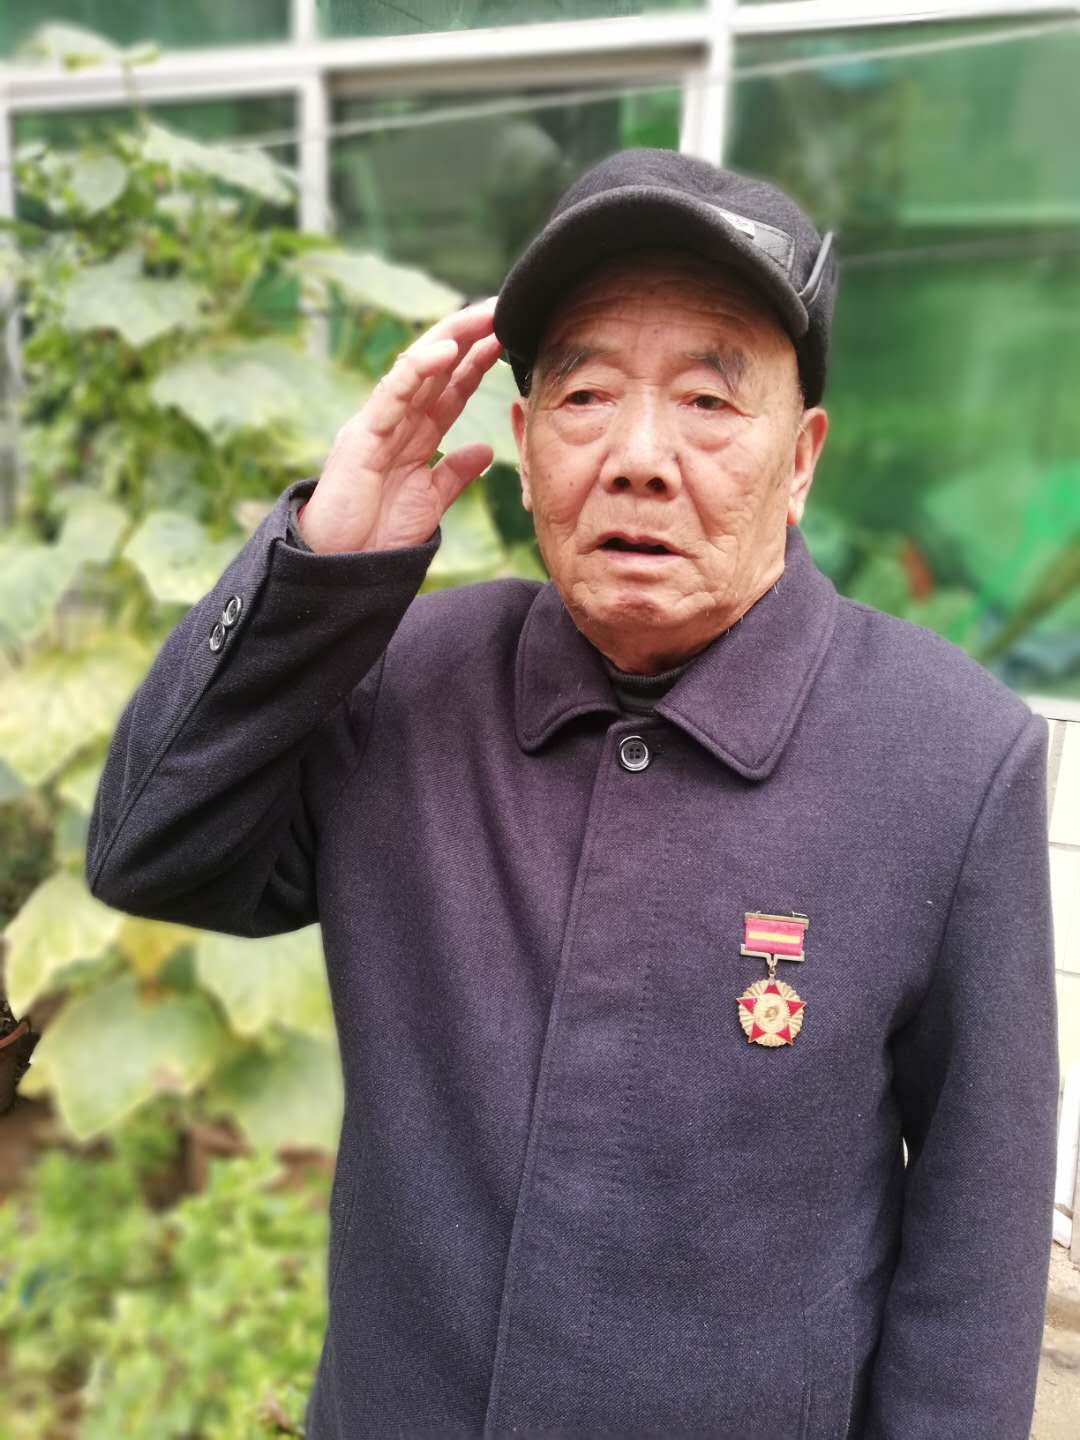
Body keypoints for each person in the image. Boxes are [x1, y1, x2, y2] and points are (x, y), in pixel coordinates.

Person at [86, 149, 1058, 1439]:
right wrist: (319, 574)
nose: (640, 457)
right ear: (526, 443)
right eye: (587, 393)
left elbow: (976, 1247)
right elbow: (148, 850)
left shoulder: (950, 758)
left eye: (709, 399)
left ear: (802, 458)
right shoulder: (408, 681)